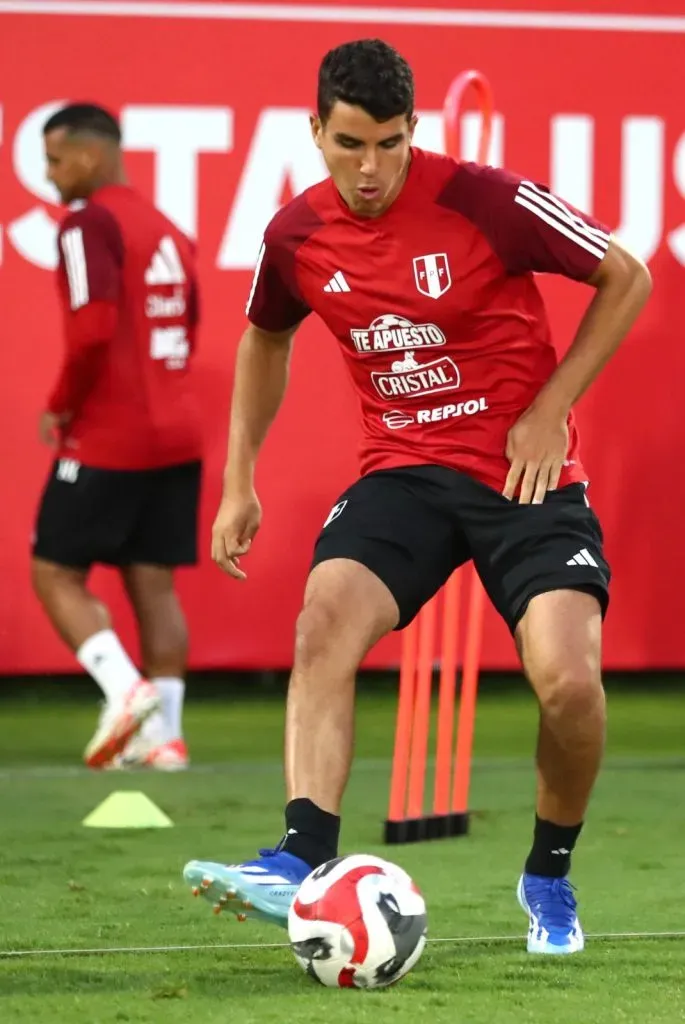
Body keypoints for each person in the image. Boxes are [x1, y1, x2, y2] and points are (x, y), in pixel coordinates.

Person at [184, 40, 651, 952]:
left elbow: (624, 276)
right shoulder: (295, 235)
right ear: (315, 131)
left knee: (569, 686)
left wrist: (548, 410)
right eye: (350, 144)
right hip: (403, 471)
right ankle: (298, 857)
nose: (370, 169)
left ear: (412, 131)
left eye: (389, 144)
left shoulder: (486, 199)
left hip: (525, 478)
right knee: (321, 623)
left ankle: (548, 873)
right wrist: (239, 480)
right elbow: (264, 340)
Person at [32, 103, 203, 772]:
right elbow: (189, 323)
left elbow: (92, 331)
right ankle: (166, 740)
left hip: (110, 432)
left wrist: (61, 406)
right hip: (177, 433)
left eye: (55, 160)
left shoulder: (86, 223)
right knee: (154, 584)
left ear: (90, 155)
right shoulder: (168, 228)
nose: (51, 176)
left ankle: (125, 690)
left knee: (54, 571)